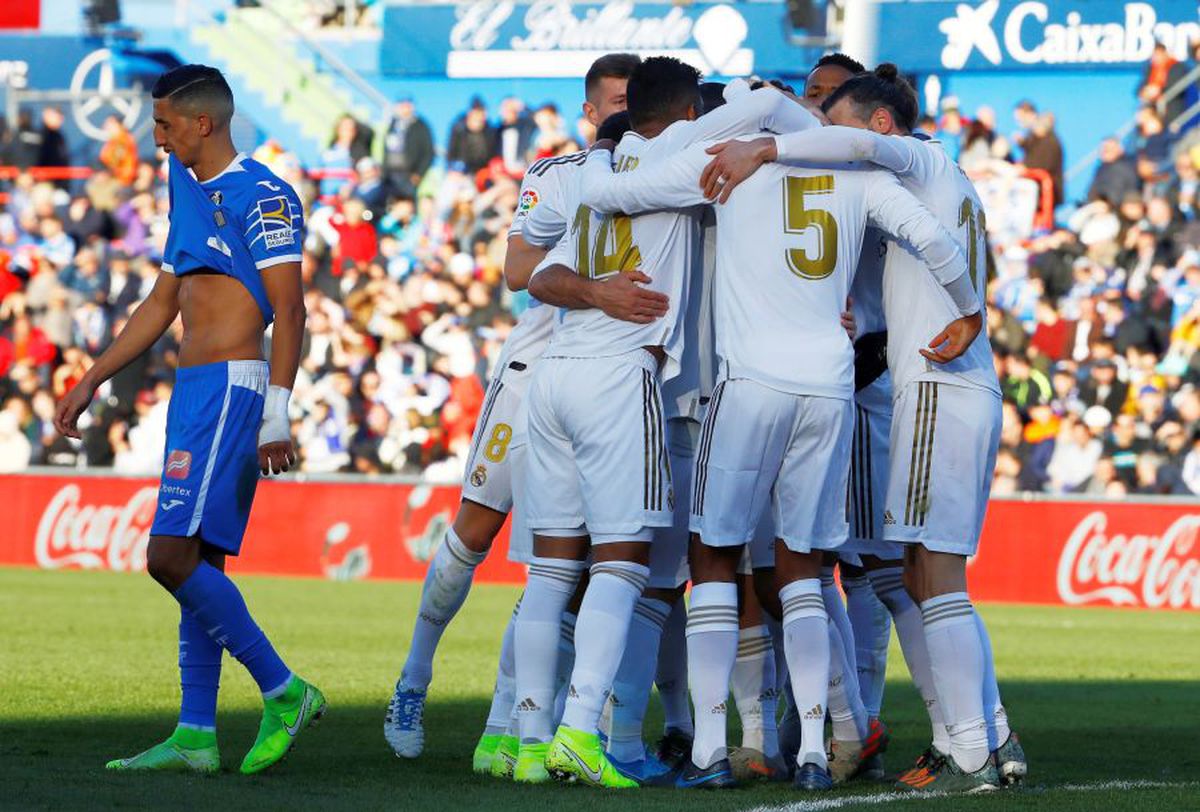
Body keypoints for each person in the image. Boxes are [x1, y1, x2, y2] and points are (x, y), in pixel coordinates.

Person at [578, 62, 983, 793]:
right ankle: (813, 754)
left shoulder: (723, 167)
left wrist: (608, 146)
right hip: (828, 389)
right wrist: (968, 310)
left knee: (712, 560)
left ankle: (707, 749)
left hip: (749, 383)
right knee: (802, 567)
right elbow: (935, 240)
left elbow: (606, 195)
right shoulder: (860, 176)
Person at [53, 64, 324, 776]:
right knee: (198, 562)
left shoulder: (265, 196)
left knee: (167, 558)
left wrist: (277, 413)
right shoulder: (185, 185)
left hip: (235, 389)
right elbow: (161, 301)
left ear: (203, 122)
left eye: (166, 123)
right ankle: (197, 734)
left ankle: (283, 689)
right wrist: (91, 378)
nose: (157, 137)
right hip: (193, 387)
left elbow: (290, 310)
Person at [382, 53, 643, 774]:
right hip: (532, 373)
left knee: (564, 566)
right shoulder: (557, 175)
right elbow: (519, 270)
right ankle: (413, 679)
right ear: (589, 112)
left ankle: (506, 726)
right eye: (615, 101)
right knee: (471, 535)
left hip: (606, 381)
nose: (626, 113)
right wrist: (598, 287)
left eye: (635, 100)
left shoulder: (660, 174)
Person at [383, 97, 434, 200]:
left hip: (408, 174)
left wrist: (419, 174)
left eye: (407, 106)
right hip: (390, 174)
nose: (404, 109)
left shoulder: (420, 126)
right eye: (402, 106)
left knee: (406, 203)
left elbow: (428, 152)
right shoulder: (393, 124)